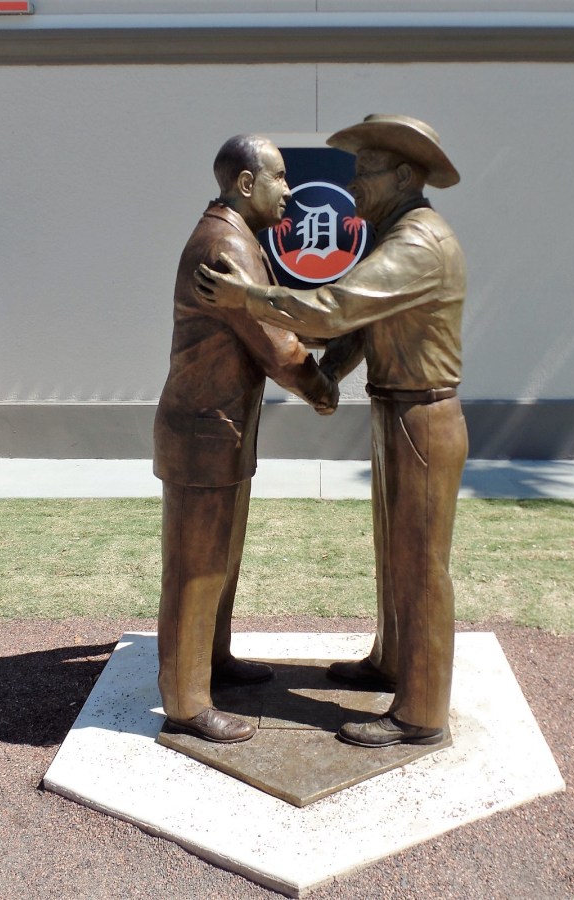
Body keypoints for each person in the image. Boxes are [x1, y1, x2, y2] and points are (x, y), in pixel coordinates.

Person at [194, 114, 468, 749]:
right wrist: (331, 375)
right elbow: (367, 327)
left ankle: (420, 713)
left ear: (403, 175)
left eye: (364, 173)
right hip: (398, 409)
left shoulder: (418, 243)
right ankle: (392, 661)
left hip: (423, 414)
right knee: (395, 553)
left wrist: (250, 300)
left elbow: (339, 306)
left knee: (422, 565)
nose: (354, 187)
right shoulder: (398, 234)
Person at [154, 135, 339, 744]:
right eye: (281, 178)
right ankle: (185, 701)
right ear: (245, 184)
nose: (290, 190)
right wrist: (320, 386)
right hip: (204, 432)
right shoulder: (225, 243)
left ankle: (214, 660)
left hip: (222, 430)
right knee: (197, 568)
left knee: (220, 562)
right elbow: (273, 341)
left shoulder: (235, 236)